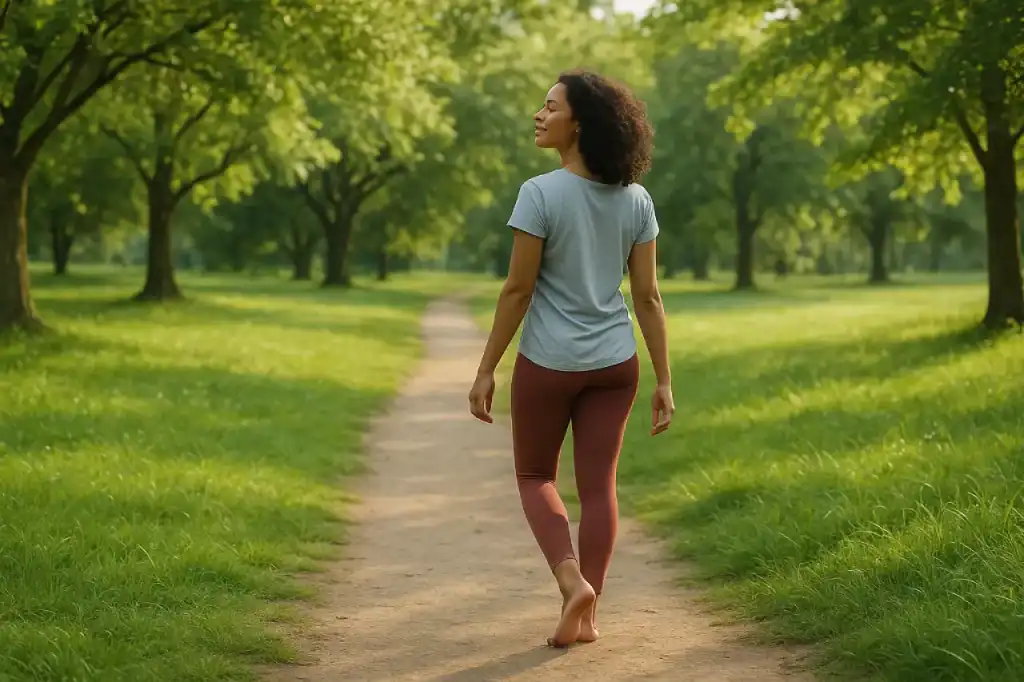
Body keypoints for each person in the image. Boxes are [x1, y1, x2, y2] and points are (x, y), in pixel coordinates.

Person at [468, 68, 675, 648]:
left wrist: (486, 367)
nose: (539, 114)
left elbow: (517, 290)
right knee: (600, 485)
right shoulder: (637, 200)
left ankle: (570, 584)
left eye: (550, 106)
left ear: (578, 124)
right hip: (615, 364)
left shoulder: (539, 193)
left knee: (536, 475)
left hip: (549, 362)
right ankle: (590, 610)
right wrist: (664, 380)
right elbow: (648, 297)